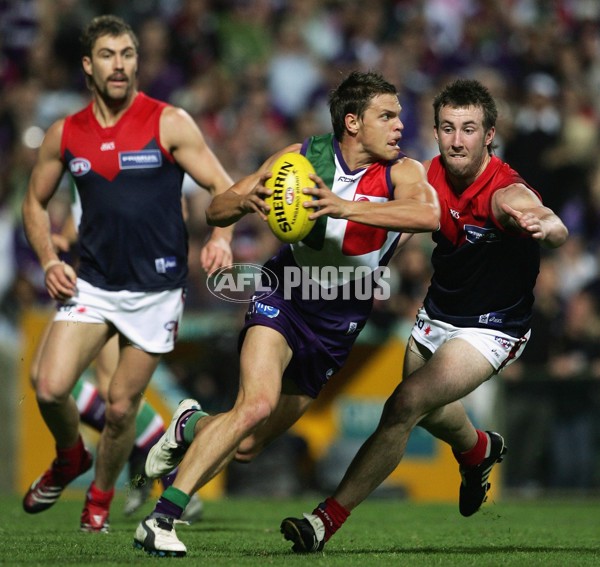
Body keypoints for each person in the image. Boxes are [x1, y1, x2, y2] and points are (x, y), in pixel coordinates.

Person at [132, 70, 441, 557]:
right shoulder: (300, 159)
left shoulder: (404, 172)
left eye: (399, 115)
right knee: (254, 404)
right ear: (353, 122)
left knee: (249, 446)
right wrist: (244, 200)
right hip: (285, 294)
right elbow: (216, 210)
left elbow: (428, 215)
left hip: (339, 322)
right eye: (388, 115)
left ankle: (189, 426)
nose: (400, 125)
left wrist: (342, 207)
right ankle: (162, 518)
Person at [278, 78, 569, 553]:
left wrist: (547, 225)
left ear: (489, 135)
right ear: (435, 131)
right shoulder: (427, 178)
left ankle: (322, 521)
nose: (458, 140)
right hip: (437, 316)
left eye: (469, 129)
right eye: (448, 128)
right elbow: (400, 230)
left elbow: (545, 219)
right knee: (430, 412)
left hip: (491, 328)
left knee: (404, 405)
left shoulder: (504, 192)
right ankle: (478, 450)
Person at [21, 15, 233, 533]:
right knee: (48, 387)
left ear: (138, 61)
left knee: (120, 410)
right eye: (109, 55)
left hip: (156, 294)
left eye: (129, 54)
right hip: (93, 285)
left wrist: (223, 237)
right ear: (88, 66)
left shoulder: (169, 121)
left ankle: (99, 499)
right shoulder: (65, 133)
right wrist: (50, 258)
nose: (121, 65)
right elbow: (34, 201)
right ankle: (71, 456)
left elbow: (222, 186)